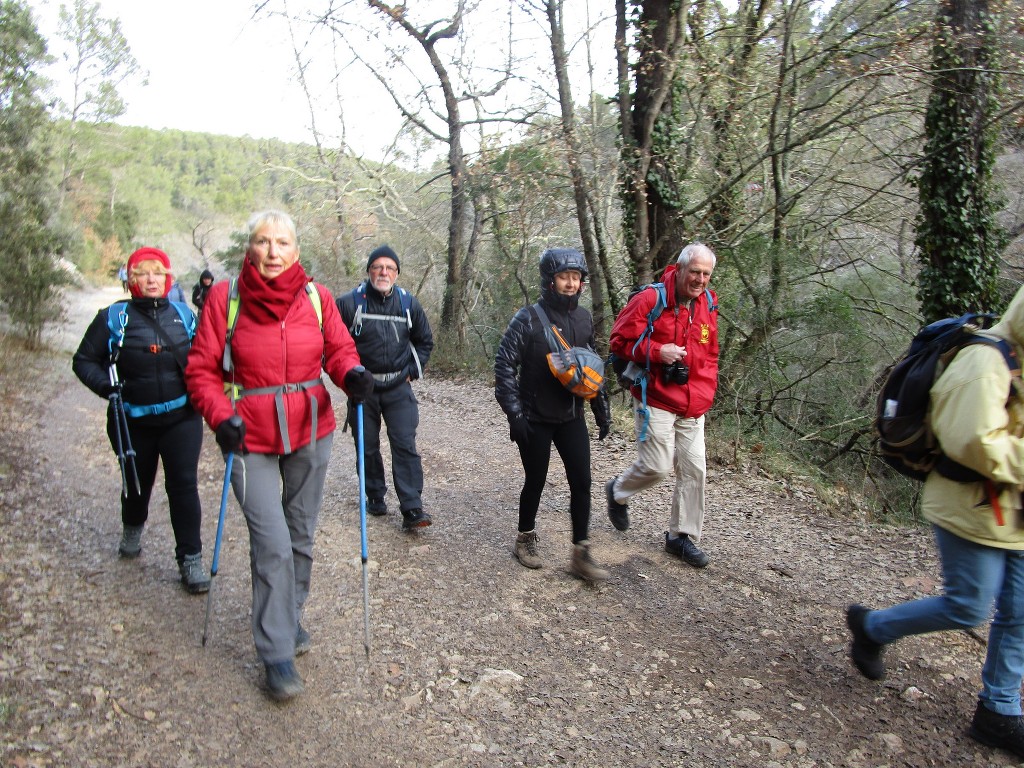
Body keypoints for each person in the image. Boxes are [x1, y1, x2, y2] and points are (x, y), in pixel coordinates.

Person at [185, 210, 372, 702]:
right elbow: (202, 371)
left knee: (300, 534)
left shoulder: (316, 297)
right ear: (250, 248)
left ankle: (289, 617)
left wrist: (350, 374)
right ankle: (276, 653)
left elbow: (338, 349)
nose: (271, 252)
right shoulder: (226, 300)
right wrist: (220, 417)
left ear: (295, 250)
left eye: (281, 242)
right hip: (247, 434)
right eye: (262, 242)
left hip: (311, 429)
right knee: (271, 542)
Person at [846, 285, 1024, 760]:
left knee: (1020, 612)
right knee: (969, 606)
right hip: (970, 509)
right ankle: (873, 627)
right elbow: (973, 442)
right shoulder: (985, 364)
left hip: (1014, 513)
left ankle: (999, 709)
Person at [72, 247, 210, 594]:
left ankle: (190, 559)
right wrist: (108, 387)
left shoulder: (184, 314)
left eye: (158, 273)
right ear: (132, 279)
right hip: (131, 419)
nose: (151, 279)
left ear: (168, 278)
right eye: (143, 273)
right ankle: (132, 526)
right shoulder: (112, 318)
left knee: (183, 486)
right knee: (137, 482)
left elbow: (204, 358)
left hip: (182, 417)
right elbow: (84, 360)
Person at [494, 248, 612, 581]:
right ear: (550, 281)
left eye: (576, 277)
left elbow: (591, 366)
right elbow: (504, 364)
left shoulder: (584, 318)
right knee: (536, 479)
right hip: (534, 416)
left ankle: (581, 552)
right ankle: (525, 538)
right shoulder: (528, 318)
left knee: (582, 482)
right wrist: (514, 414)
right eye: (564, 277)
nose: (571, 283)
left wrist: (600, 410)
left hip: (571, 415)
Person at [605, 243, 719, 568]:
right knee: (656, 467)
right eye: (695, 272)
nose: (700, 279)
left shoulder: (708, 303)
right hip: (653, 396)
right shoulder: (651, 300)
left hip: (693, 402)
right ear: (680, 269)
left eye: (706, 274)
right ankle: (618, 491)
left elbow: (709, 352)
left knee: (694, 469)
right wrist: (657, 352)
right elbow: (619, 342)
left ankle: (681, 537)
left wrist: (707, 389)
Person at [335, 244, 435, 531]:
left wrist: (412, 372)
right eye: (378, 267)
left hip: (397, 387)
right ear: (368, 271)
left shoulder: (408, 303)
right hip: (362, 389)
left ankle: (412, 507)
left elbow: (424, 341)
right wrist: (348, 377)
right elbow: (333, 344)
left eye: (390, 268)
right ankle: (375, 495)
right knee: (366, 446)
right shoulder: (349, 303)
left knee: (404, 444)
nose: (383, 272)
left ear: (397, 273)